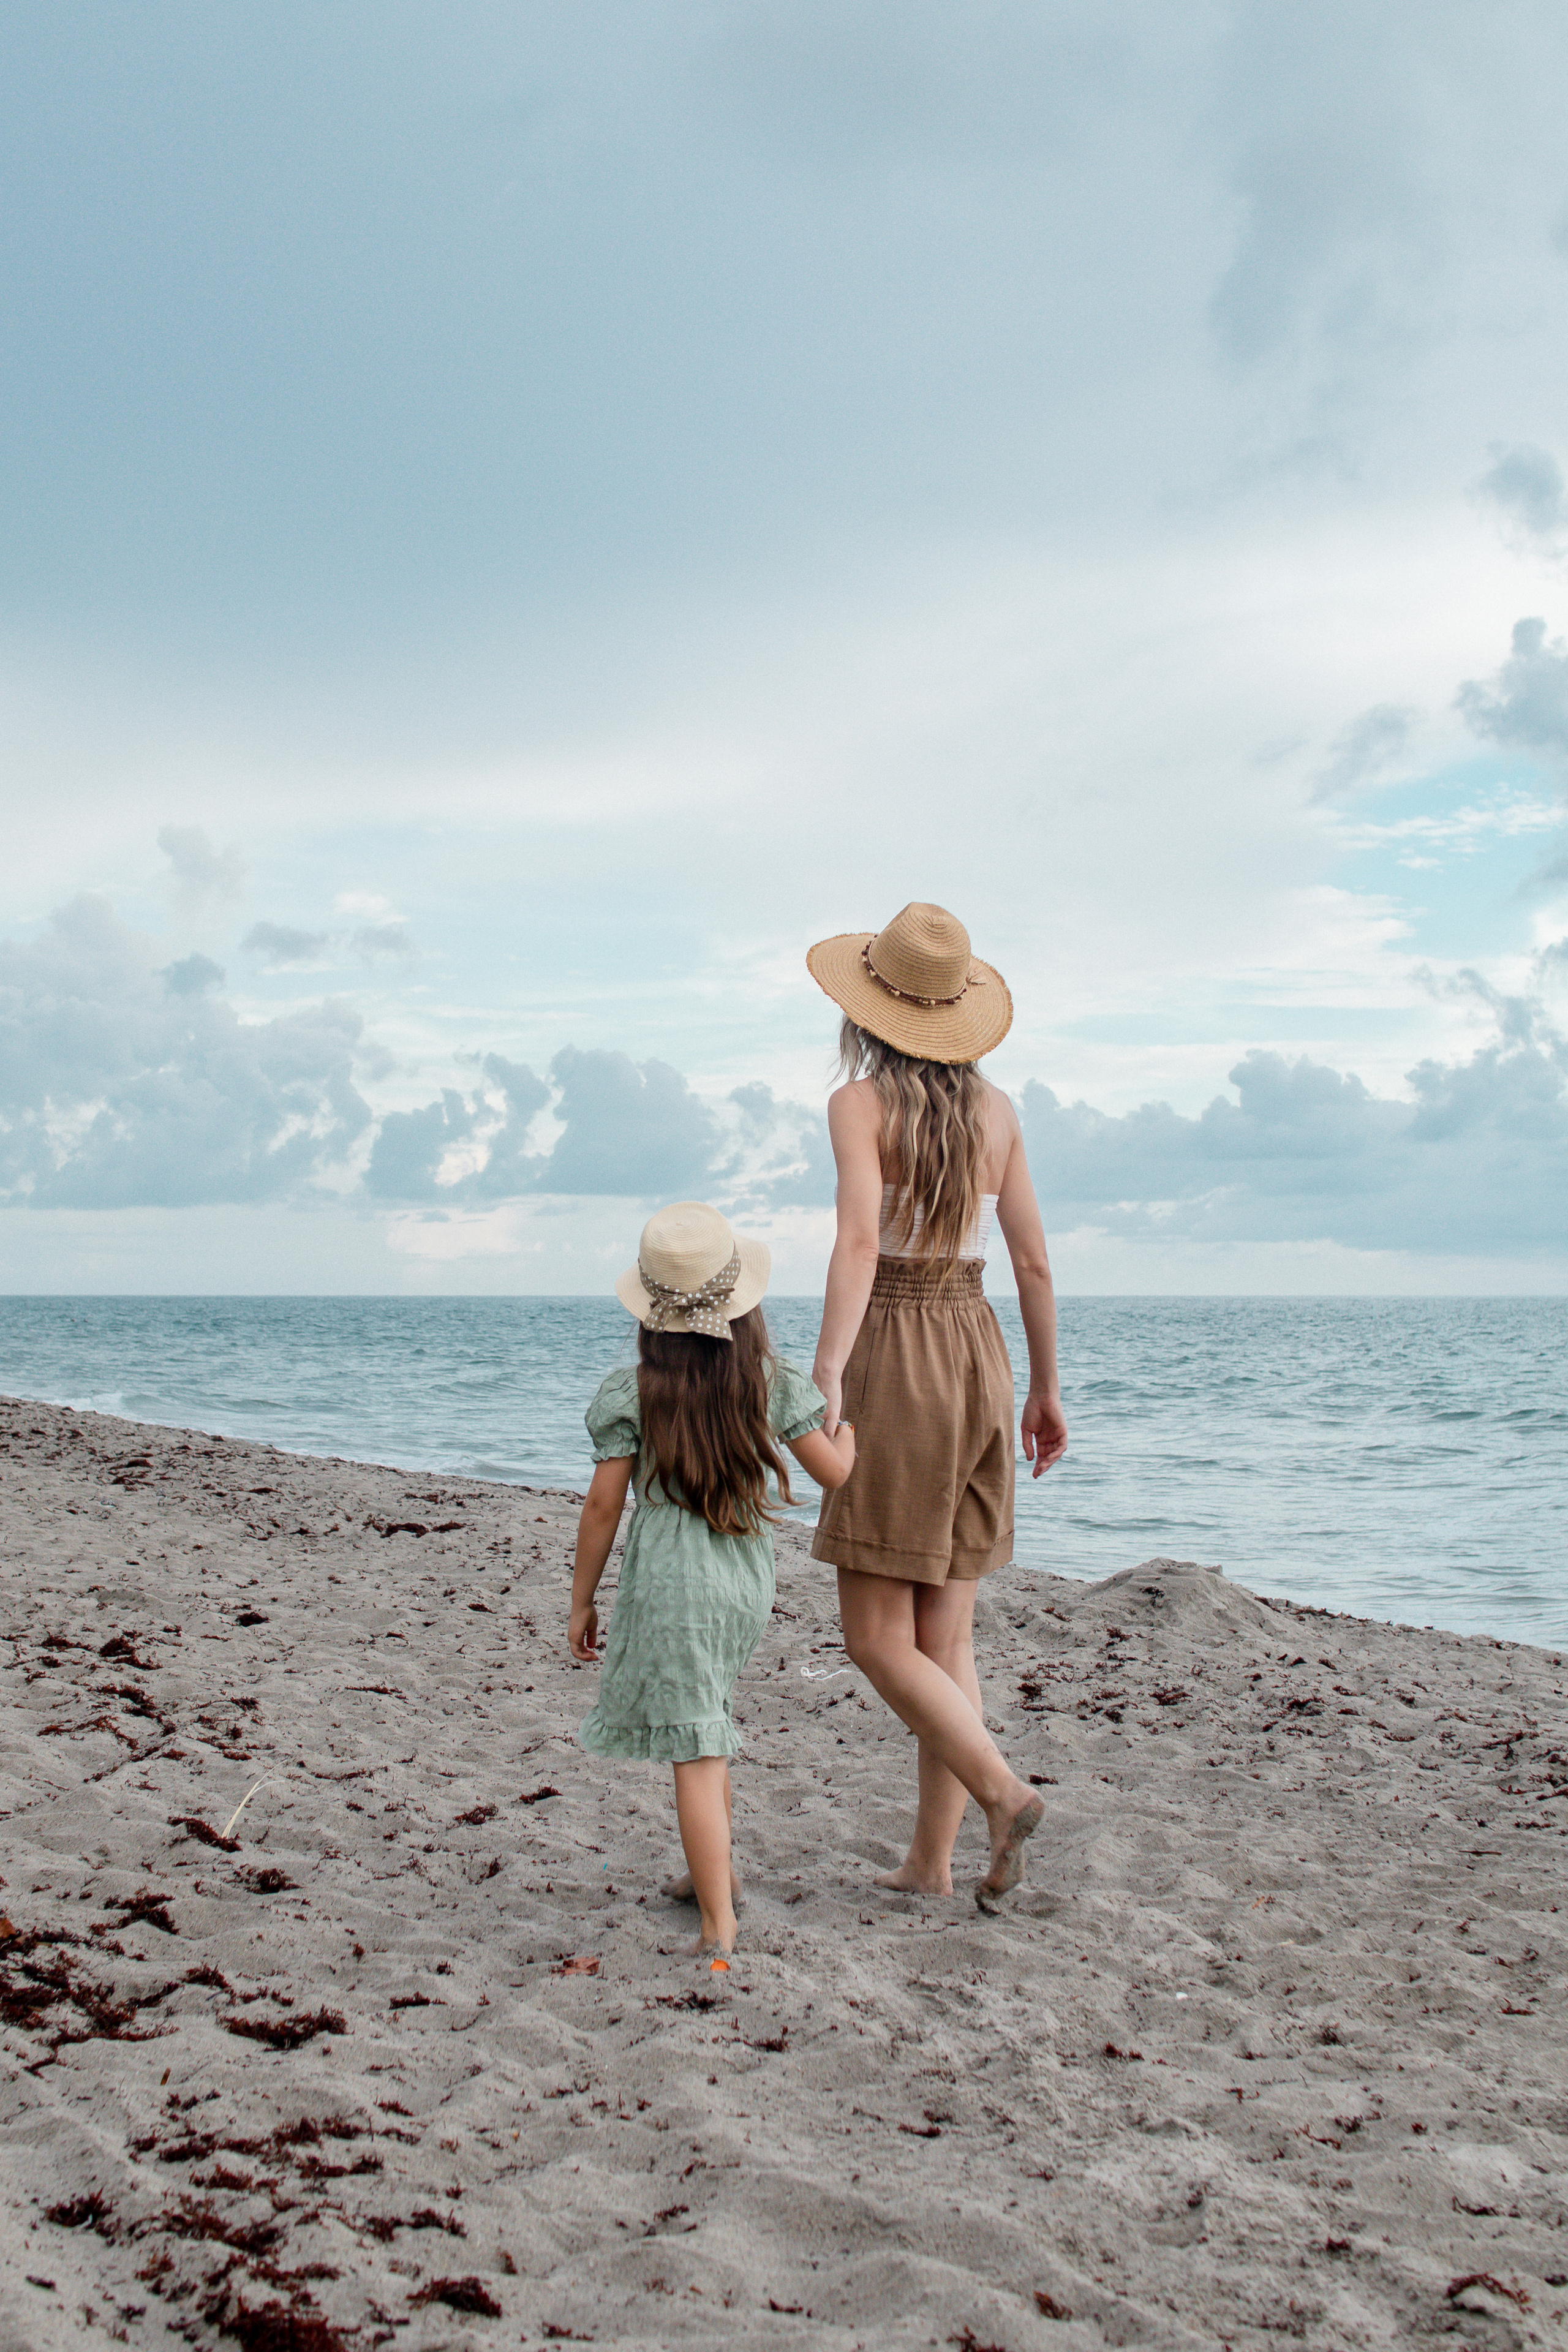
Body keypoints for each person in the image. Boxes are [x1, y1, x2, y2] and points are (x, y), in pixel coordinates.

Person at [805, 902, 1068, 1912]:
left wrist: (829, 1370)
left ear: (871, 1009)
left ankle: (1002, 1793)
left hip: (901, 1353)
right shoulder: (999, 1111)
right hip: (980, 1354)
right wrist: (1044, 1389)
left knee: (878, 1639)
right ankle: (931, 1862)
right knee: (947, 1639)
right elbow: (1034, 1260)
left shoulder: (859, 1106)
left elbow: (863, 1247)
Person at [568, 1199, 855, 1968]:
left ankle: (719, 1928)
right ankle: (712, 1876)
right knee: (711, 1722)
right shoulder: (768, 1379)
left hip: (671, 1583)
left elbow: (602, 1507)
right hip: (743, 1583)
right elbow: (832, 1475)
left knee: (696, 1752)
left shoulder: (634, 1392)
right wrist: (847, 1434)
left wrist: (580, 1599)